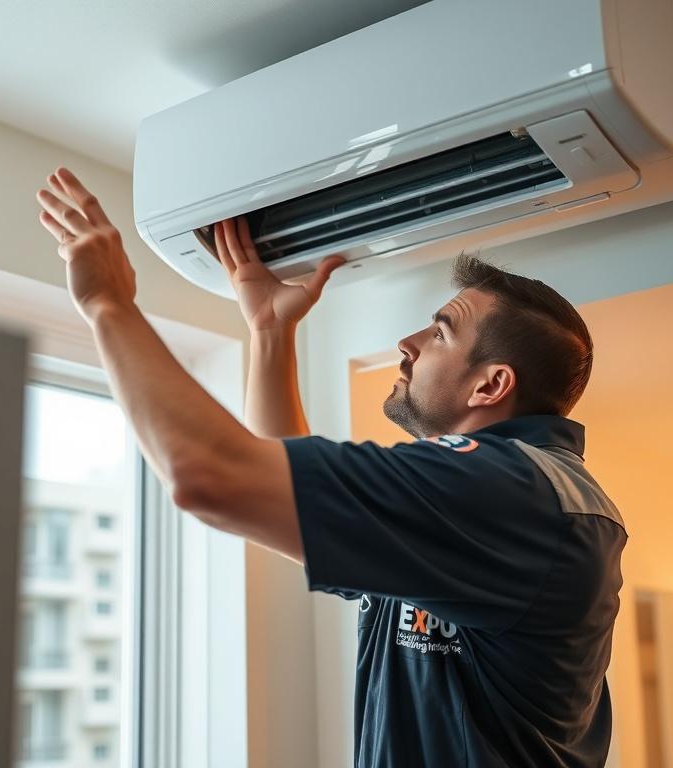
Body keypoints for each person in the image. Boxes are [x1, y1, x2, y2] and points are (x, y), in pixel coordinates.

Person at [35, 167, 627, 768]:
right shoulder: (500, 496)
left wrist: (108, 305)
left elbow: (209, 475)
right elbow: (273, 490)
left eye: (440, 332)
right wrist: (270, 331)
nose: (408, 343)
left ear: (491, 385)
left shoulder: (510, 493)